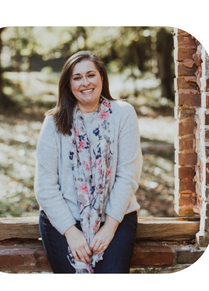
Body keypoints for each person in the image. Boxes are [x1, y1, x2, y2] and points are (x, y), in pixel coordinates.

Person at [35, 50, 143, 273]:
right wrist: (71, 233)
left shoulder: (123, 114)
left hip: (115, 218)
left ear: (102, 77)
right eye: (77, 78)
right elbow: (45, 186)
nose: (85, 83)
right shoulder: (54, 122)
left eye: (91, 75)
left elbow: (127, 176)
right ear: (69, 84)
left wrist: (110, 227)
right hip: (64, 222)